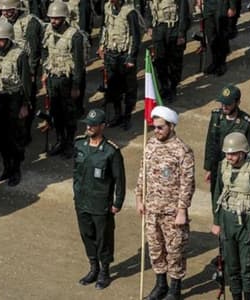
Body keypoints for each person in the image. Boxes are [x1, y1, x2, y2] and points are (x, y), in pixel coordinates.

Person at [136, 106, 195, 300]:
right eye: (155, 127)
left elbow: (188, 183)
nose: (156, 131)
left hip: (172, 212)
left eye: (161, 127)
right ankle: (160, 285)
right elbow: (142, 174)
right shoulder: (150, 144)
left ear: (171, 126)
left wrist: (182, 210)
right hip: (152, 208)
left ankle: (174, 289)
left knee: (175, 250)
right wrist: (139, 198)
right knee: (155, 248)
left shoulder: (182, 150)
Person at [212, 132, 250, 300]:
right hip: (227, 219)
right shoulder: (223, 166)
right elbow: (218, 193)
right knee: (231, 266)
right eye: (227, 153)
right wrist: (216, 221)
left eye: (233, 153)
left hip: (248, 222)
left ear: (243, 152)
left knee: (247, 266)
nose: (229, 157)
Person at [73, 108, 125, 290]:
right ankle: (93, 267)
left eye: (93, 125)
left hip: (101, 203)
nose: (89, 127)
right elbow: (76, 172)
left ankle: (104, 271)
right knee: (87, 235)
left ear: (102, 126)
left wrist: (118, 202)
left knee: (104, 238)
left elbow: (120, 179)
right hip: (82, 201)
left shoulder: (111, 151)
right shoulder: (80, 145)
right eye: (88, 124)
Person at [0, 21, 31, 186]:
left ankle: (15, 170)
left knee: (14, 137)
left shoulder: (19, 55)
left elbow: (26, 82)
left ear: (9, 39)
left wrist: (25, 105)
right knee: (0, 137)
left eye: (1, 40)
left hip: (14, 98)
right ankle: (6, 167)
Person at [41, 0, 85, 158]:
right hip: (53, 77)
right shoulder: (48, 30)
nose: (53, 21)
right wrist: (45, 71)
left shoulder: (75, 36)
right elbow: (45, 51)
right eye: (51, 18)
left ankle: (69, 143)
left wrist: (76, 86)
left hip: (67, 79)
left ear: (64, 18)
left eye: (57, 18)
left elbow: (79, 64)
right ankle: (60, 140)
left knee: (69, 114)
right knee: (55, 112)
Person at [0, 0, 44, 144]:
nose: (5, 13)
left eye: (9, 10)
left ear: (17, 8)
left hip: (26, 66)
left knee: (27, 98)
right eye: (3, 10)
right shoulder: (3, 20)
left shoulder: (30, 22)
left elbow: (34, 50)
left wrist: (31, 72)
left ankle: (25, 132)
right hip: (9, 65)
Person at [204, 84, 250, 199]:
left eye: (228, 104)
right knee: (216, 198)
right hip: (217, 167)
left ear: (237, 103)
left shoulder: (247, 122)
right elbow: (210, 143)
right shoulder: (216, 116)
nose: (224, 107)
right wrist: (208, 168)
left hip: (236, 168)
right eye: (222, 103)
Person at [97, 0, 141, 130]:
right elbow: (104, 27)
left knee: (129, 88)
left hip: (125, 55)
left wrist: (131, 56)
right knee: (113, 87)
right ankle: (118, 115)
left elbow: (135, 36)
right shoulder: (107, 8)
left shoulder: (130, 12)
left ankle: (127, 117)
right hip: (111, 53)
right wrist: (101, 44)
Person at [146, 0, 189, 102]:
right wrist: (148, 26)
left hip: (173, 29)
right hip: (158, 29)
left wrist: (181, 33)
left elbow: (184, 13)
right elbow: (148, 9)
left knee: (175, 61)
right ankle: (164, 86)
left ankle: (173, 87)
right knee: (159, 61)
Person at [199, 0, 232, 76]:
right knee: (210, 36)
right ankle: (214, 62)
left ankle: (222, 64)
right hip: (208, 6)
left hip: (221, 5)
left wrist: (232, 6)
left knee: (222, 35)